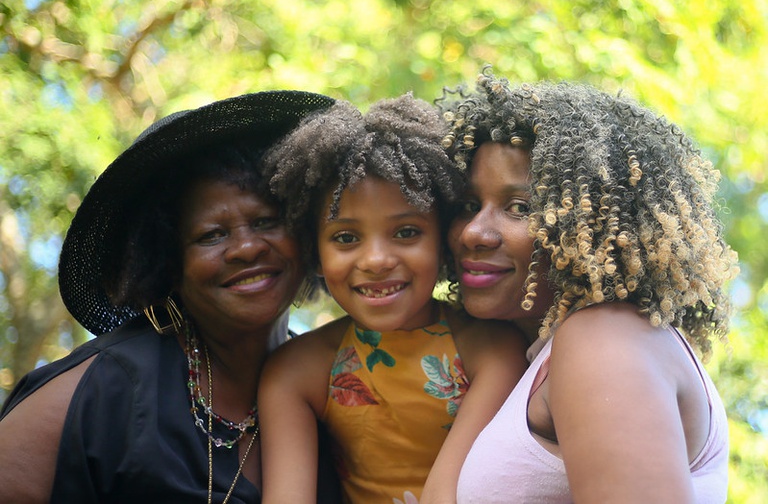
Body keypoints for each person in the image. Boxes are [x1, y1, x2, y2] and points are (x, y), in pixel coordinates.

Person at [0, 90, 337, 503]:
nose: (247, 248)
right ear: (167, 263)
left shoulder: (341, 383)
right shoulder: (102, 391)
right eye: (212, 235)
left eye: (266, 221)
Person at [438, 69, 740, 503]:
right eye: (469, 205)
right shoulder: (536, 355)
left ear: (593, 225)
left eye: (519, 207)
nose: (473, 232)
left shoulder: (606, 336)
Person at [257, 94, 530, 504]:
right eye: (345, 237)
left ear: (443, 243)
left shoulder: (491, 349)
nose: (377, 261)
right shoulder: (296, 370)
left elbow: (447, 497)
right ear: (315, 253)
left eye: (406, 232)